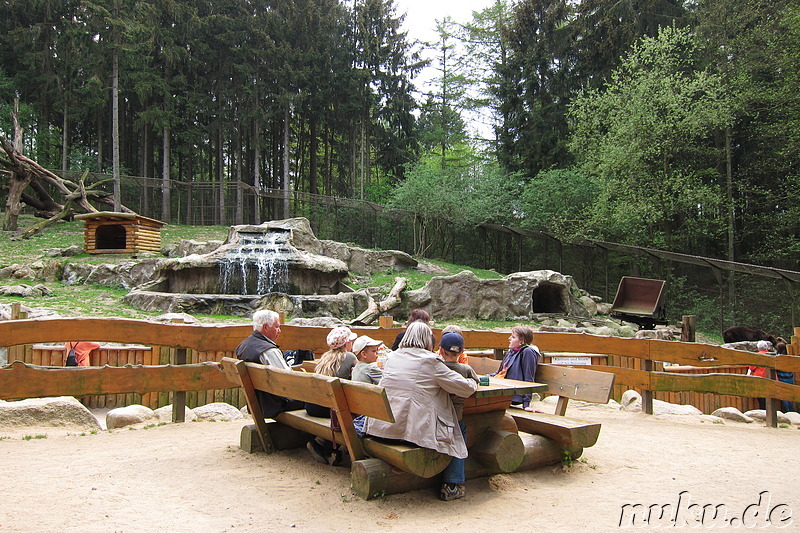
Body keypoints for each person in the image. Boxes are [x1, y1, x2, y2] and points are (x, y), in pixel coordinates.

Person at [364, 321, 477, 501]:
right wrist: (474, 382)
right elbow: (465, 388)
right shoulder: (429, 361)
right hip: (409, 433)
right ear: (428, 340)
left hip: (381, 427)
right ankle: (452, 484)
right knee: (458, 426)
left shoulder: (392, 357)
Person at [235, 309, 303, 418]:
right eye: (277, 327)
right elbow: (287, 378)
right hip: (275, 404)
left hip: (258, 402)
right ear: (266, 327)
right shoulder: (269, 351)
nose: (279, 330)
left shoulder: (243, 345)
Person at [305, 326, 357, 466]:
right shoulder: (350, 357)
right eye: (351, 341)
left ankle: (322, 446)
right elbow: (360, 378)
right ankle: (338, 449)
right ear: (346, 344)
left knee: (337, 407)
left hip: (312, 406)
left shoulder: (324, 358)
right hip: (329, 409)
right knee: (349, 411)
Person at [490, 325, 541, 410]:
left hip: (512, 394)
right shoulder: (511, 352)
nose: (509, 339)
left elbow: (529, 378)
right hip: (501, 388)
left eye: (513, 337)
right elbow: (500, 372)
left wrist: (526, 404)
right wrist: (484, 378)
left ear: (521, 342)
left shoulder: (527, 352)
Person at [748, 339, 774, 410]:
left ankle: (763, 412)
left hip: (759, 379)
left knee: (761, 398)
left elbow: (752, 367)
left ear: (758, 347)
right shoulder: (771, 355)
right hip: (770, 379)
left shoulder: (757, 356)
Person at [775, 342, 795, 413]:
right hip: (790, 378)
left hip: (782, 378)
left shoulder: (777, 358)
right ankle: (792, 410)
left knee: (784, 396)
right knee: (790, 395)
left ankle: (788, 411)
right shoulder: (788, 357)